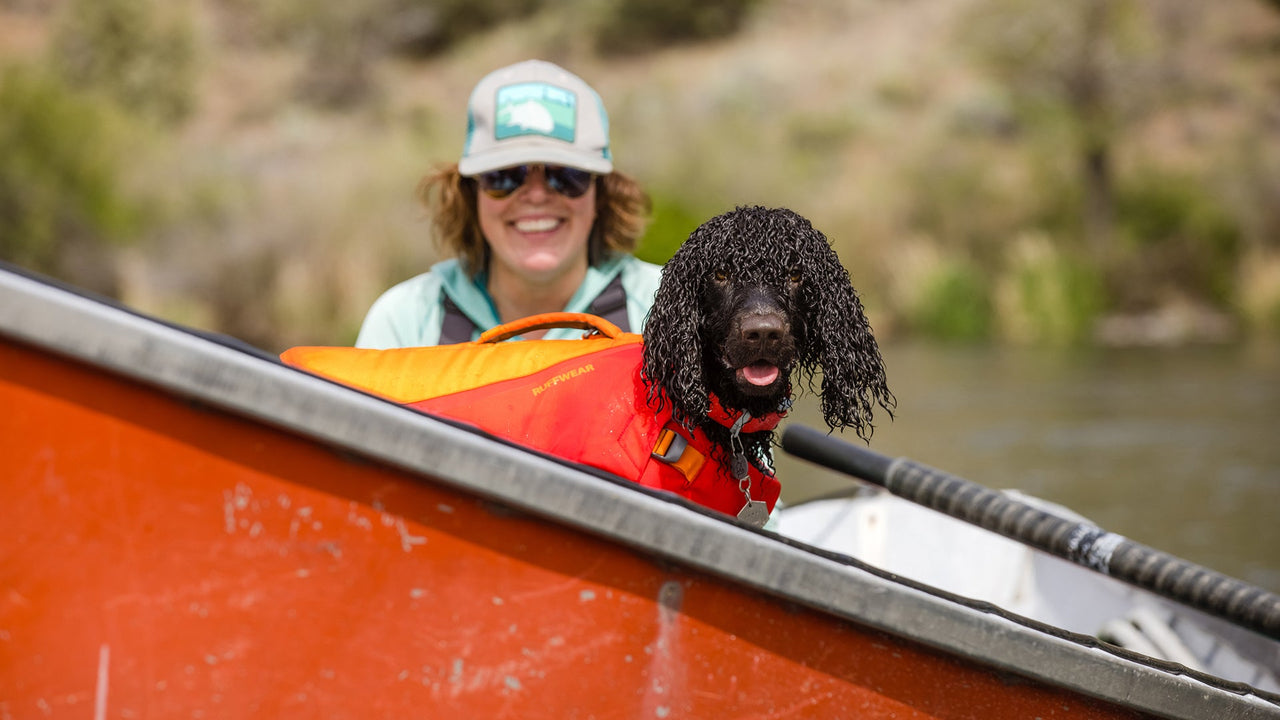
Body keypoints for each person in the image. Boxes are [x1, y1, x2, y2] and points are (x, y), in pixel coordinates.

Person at [355, 59, 662, 348]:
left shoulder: (664, 307)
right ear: (471, 193)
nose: (537, 195)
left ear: (601, 192)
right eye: (505, 176)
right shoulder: (405, 321)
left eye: (566, 175)